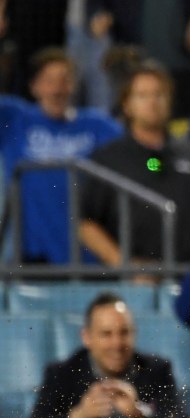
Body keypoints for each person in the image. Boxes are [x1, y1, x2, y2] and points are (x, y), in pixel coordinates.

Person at [22, 292, 190, 418]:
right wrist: (78, 416)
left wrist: (140, 413)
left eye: (124, 332)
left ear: (134, 333)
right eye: (106, 334)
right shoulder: (62, 374)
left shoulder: (156, 370)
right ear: (87, 337)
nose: (116, 344)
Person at [79, 60, 190, 268]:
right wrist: (125, 264)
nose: (152, 102)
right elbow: (85, 224)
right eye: (143, 95)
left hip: (185, 274)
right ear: (127, 105)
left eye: (159, 94)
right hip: (130, 283)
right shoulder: (108, 158)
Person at [0, 47, 121, 264]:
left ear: (74, 85)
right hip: (33, 259)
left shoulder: (97, 125)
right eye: (49, 80)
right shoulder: (15, 120)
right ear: (34, 87)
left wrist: (155, 167)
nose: (57, 89)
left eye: (64, 80)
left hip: (88, 260)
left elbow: (143, 161)